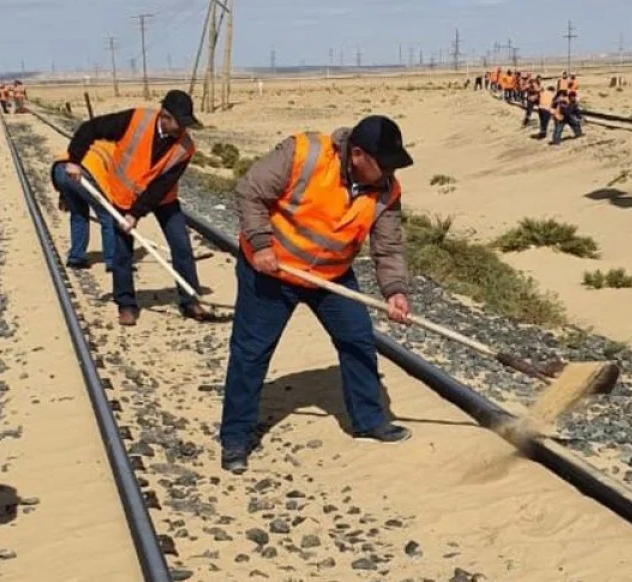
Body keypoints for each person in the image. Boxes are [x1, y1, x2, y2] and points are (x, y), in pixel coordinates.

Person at [218, 115, 415, 475]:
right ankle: (235, 437)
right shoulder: (304, 154)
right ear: (357, 154)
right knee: (251, 352)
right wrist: (261, 245)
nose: (389, 173)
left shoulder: (387, 190)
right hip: (273, 271)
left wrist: (395, 291)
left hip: (331, 275)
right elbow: (250, 191)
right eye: (383, 164)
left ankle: (369, 421)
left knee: (357, 339)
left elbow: (388, 247)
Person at [50, 90, 214, 326]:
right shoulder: (135, 120)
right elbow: (90, 128)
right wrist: (74, 161)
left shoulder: (185, 147)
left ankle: (190, 301)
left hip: (163, 198)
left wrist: (135, 214)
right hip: (122, 194)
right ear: (164, 117)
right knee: (121, 251)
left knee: (182, 247)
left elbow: (161, 185)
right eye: (180, 123)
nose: (183, 130)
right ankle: (126, 304)